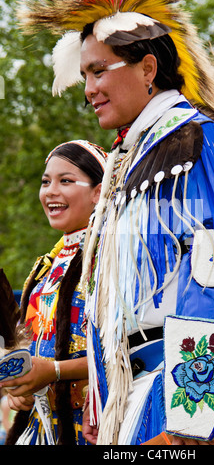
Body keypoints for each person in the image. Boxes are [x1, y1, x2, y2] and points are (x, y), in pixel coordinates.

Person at [17, 0, 214, 445]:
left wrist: (190, 423)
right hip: (135, 397)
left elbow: (213, 272)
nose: (89, 88)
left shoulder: (193, 140)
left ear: (148, 69)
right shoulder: (133, 157)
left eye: (99, 71)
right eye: (84, 75)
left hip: (181, 400)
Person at [1, 140, 107, 445]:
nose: (51, 191)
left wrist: (54, 371)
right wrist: (18, 388)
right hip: (42, 428)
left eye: (66, 181)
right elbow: (28, 344)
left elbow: (124, 355)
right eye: (46, 181)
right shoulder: (45, 268)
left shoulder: (112, 261)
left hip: (93, 427)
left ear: (98, 193)